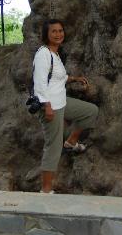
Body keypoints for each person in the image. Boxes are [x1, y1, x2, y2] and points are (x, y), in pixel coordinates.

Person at [32, 19, 98, 194]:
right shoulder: (43, 54)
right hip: (50, 105)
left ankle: (71, 142)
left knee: (90, 111)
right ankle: (46, 190)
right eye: (54, 31)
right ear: (46, 34)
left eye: (61, 30)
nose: (58, 34)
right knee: (53, 147)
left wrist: (73, 78)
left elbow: (57, 76)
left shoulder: (55, 54)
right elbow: (39, 83)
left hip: (61, 101)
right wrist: (47, 106)